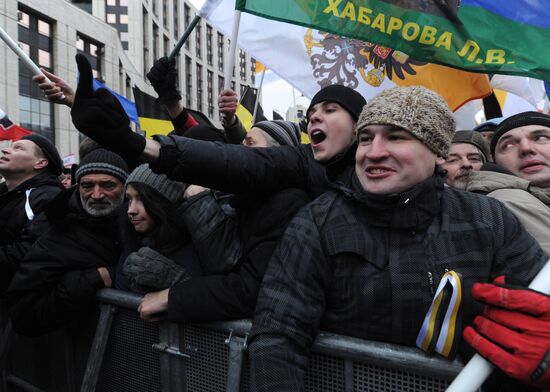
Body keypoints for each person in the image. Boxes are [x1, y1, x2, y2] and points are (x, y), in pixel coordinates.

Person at [247, 86, 548, 391]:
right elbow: (278, 334)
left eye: (396, 137)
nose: (374, 152)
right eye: (366, 138)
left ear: (437, 152)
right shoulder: (318, 222)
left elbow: (535, 311)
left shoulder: (489, 220)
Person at [70, 54, 366, 199]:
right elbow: (228, 160)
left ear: (359, 127)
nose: (314, 117)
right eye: (312, 111)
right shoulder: (301, 162)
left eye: (330, 110)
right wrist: (134, 143)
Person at [137, 123, 310, 323]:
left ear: (276, 155)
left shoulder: (288, 203)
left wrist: (172, 296)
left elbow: (246, 285)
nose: (239, 151)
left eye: (250, 144)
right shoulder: (244, 199)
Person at [7, 149, 129, 336]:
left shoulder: (142, 224)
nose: (96, 195)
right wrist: (92, 280)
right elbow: (23, 314)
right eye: (87, 186)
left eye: (108, 185)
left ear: (126, 187)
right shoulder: (57, 236)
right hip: (86, 354)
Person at [462, 111, 550, 256]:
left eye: (540, 138)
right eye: (508, 145)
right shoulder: (506, 200)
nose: (526, 149)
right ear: (495, 162)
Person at [116, 164, 203, 293]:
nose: (131, 210)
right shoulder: (130, 239)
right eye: (129, 199)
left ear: (162, 203)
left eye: (141, 199)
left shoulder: (195, 243)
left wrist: (174, 279)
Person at [0, 134, 64, 294]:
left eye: (18, 148)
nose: (5, 150)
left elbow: (32, 251)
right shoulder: (5, 195)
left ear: (40, 163)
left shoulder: (49, 197)